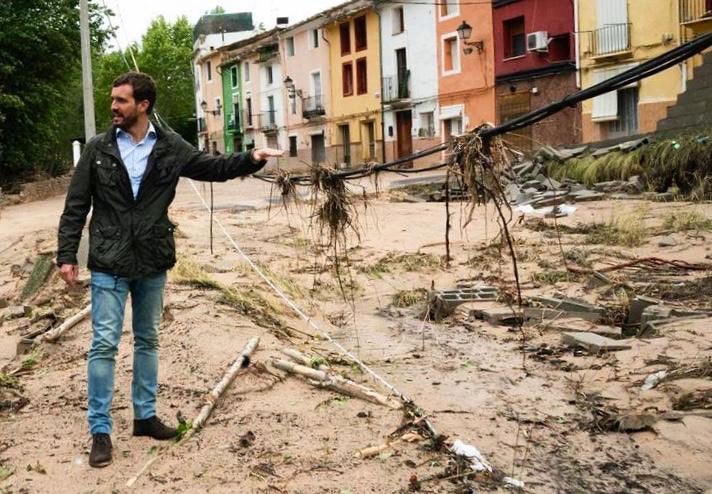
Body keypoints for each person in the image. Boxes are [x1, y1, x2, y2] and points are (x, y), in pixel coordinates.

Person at [56, 71, 283, 468]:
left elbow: (212, 167)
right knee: (104, 344)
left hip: (152, 258)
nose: (113, 106)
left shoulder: (170, 147)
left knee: (148, 339)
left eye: (121, 101)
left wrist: (251, 159)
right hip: (109, 260)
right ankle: (100, 430)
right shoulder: (96, 150)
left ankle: (144, 417)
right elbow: (76, 206)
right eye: (112, 99)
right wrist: (66, 255)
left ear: (143, 105)